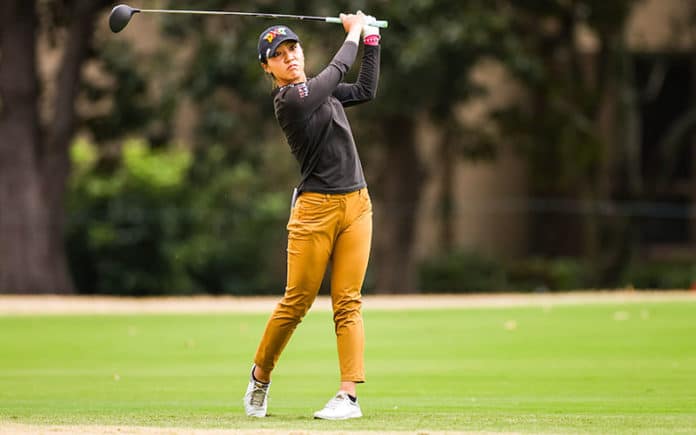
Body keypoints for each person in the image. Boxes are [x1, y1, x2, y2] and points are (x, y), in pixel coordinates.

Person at [243, 11, 381, 420]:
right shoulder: (289, 101)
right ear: (268, 67)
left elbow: (367, 89)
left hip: (357, 205)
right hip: (314, 212)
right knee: (296, 302)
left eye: (293, 48)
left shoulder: (325, 93)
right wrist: (354, 34)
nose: (290, 57)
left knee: (348, 302)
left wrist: (371, 40)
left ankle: (348, 396)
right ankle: (260, 374)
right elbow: (336, 72)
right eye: (279, 55)